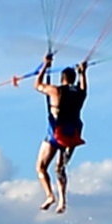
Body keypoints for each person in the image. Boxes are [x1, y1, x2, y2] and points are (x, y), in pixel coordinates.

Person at [34, 54, 88, 213]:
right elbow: (84, 88)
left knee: (41, 167)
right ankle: (62, 202)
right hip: (73, 136)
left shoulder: (56, 91)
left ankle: (50, 195)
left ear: (62, 78)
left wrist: (45, 65)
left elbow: (37, 85)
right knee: (60, 168)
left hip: (55, 135)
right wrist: (83, 72)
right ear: (72, 78)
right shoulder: (80, 94)